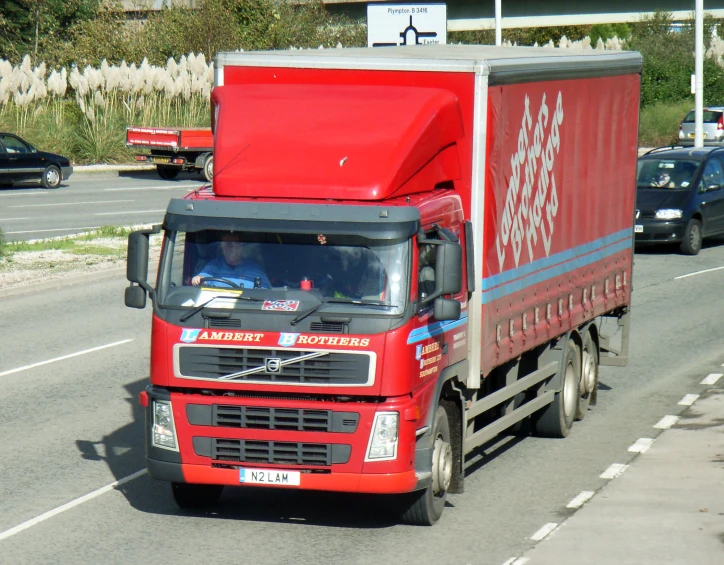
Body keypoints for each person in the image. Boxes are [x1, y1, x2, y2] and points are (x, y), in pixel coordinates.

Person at [191, 232, 271, 288]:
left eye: (233, 244)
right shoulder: (214, 265)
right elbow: (202, 277)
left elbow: (266, 293)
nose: (230, 248)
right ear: (222, 247)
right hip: (216, 307)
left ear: (240, 246)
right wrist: (198, 278)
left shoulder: (254, 268)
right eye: (227, 244)